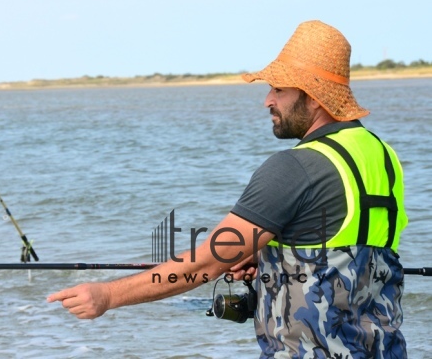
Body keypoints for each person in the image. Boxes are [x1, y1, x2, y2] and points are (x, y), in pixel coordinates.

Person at [48, 20, 408, 358]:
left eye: (279, 89)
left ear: (314, 97)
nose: (268, 100)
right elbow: (353, 247)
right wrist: (271, 256)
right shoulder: (383, 157)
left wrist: (107, 295)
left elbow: (204, 263)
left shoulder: (294, 167)